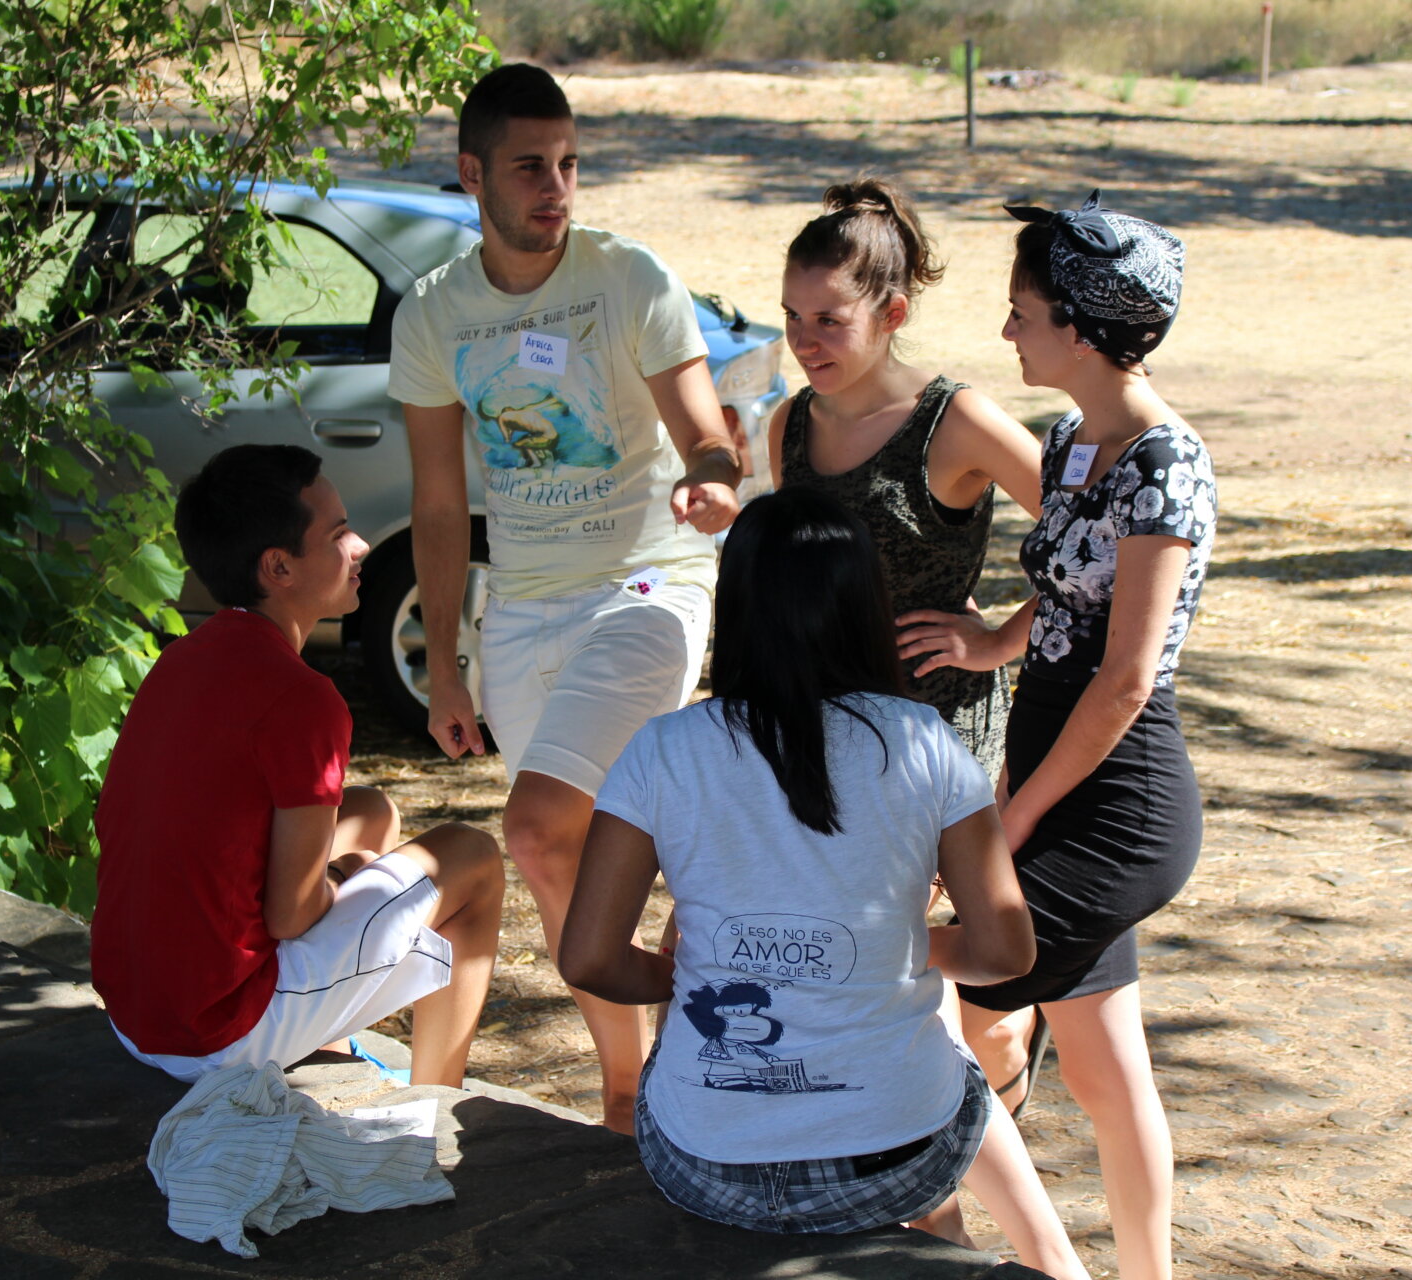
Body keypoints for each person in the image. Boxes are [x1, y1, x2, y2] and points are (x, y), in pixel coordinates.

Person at [559, 489, 1089, 1279]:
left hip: (705, 1163)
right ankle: (1001, 1252)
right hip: (897, 1161)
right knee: (938, 1038)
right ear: (866, 606)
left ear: (737, 604)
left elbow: (589, 959)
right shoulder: (923, 740)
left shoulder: (662, 749)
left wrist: (696, 973)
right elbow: (1006, 952)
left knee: (696, 949)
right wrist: (898, 948)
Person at [387, 63, 742, 1134]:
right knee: (565, 859)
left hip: (647, 581)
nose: (556, 188)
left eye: (570, 165)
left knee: (535, 830)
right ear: (472, 174)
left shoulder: (627, 277)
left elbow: (703, 425)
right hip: (521, 605)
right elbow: (439, 505)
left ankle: (661, 1070)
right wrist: (446, 663)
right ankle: (630, 1090)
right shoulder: (433, 313)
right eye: (530, 167)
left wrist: (713, 473)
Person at [904, 192, 1216, 1280]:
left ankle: (1028, 1260)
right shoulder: (1073, 439)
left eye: (1024, 312)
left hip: (1119, 807)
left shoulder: (1165, 462)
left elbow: (1126, 678)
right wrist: (996, 639)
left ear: (1081, 329)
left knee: (929, 999)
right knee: (1103, 1067)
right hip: (1051, 774)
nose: (1008, 331)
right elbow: (1075, 589)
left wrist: (1011, 818)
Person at [91, 444, 503, 1086]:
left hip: (135, 1012)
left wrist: (347, 866)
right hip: (216, 1034)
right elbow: (291, 915)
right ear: (278, 566)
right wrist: (346, 873)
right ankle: (436, 1103)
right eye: (338, 534)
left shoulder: (183, 658)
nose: (360, 546)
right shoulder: (302, 698)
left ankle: (324, 1043)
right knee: (471, 855)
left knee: (371, 811)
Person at [770, 177, 1042, 789]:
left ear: (892, 314)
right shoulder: (790, 423)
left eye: (829, 320)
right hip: (820, 728)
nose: (803, 342)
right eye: (792, 315)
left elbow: (1099, 548)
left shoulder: (956, 420)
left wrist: (1000, 642)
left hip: (935, 741)